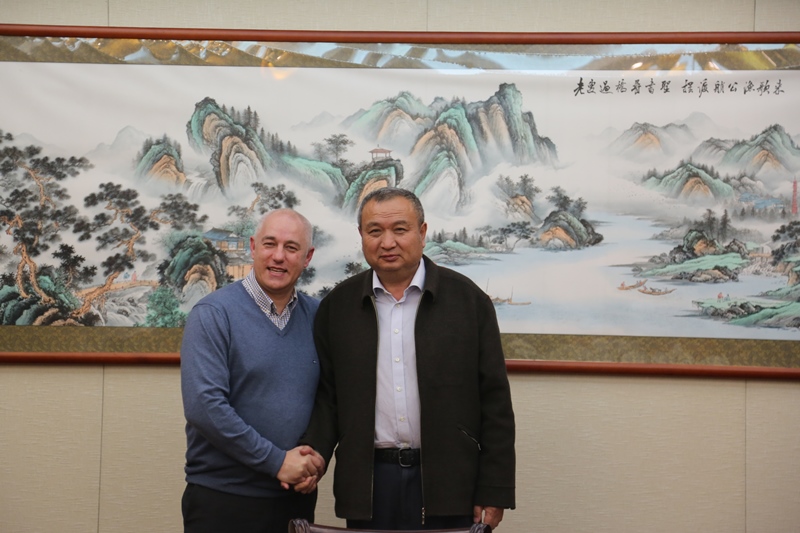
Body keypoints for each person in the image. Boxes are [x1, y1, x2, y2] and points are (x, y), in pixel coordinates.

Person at [301, 188, 515, 530]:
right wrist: (313, 454)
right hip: (371, 482)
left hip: (449, 480)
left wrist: (495, 488)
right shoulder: (338, 307)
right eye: (375, 231)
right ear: (361, 235)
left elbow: (495, 401)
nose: (387, 242)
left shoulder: (468, 302)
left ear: (422, 232)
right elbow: (328, 398)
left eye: (400, 229)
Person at [181, 208, 325, 533]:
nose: (278, 256)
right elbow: (205, 407)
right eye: (270, 244)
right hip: (224, 500)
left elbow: (329, 400)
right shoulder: (213, 314)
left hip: (296, 500)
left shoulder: (318, 317)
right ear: (253, 247)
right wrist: (277, 462)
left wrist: (316, 459)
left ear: (307, 257)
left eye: (291, 248)